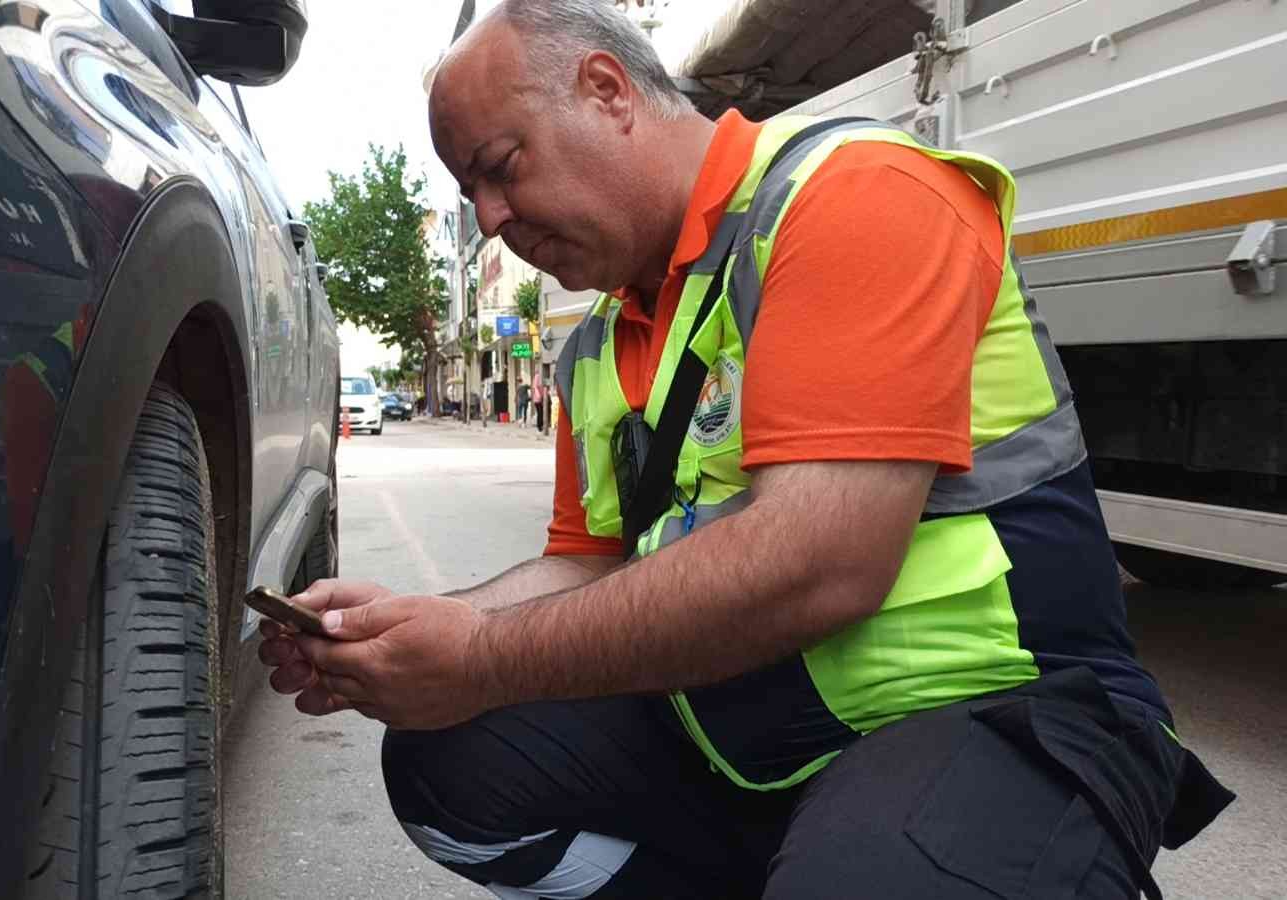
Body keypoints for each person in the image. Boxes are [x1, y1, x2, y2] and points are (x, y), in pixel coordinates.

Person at [257, 2, 1232, 897]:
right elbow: (580, 563)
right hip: (756, 730)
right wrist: (417, 625)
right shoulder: (601, 344)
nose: (489, 219)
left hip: (994, 712)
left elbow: (821, 562)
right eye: (468, 193)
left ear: (606, 90)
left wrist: (478, 655)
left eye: (500, 165)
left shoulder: (854, 194)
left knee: (874, 878)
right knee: (446, 760)